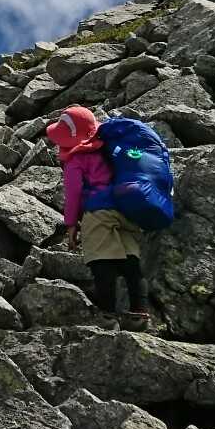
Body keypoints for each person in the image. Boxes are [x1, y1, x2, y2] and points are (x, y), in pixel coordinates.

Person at [48, 105, 152, 330]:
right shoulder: (108, 148)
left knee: (101, 262)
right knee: (130, 262)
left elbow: (74, 193)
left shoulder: (75, 160)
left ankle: (107, 315)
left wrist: (71, 224)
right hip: (125, 209)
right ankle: (140, 314)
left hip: (98, 213)